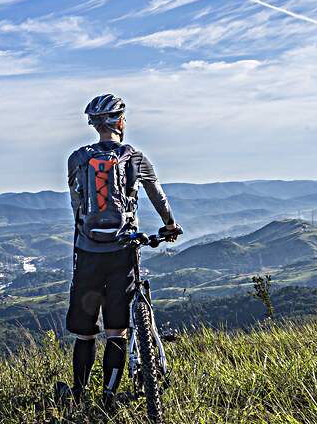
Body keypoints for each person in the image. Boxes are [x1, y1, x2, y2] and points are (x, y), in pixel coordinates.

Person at [60, 93, 182, 409]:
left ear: (94, 124)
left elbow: (76, 203)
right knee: (117, 329)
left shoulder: (77, 158)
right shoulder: (136, 158)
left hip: (87, 251)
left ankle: (76, 395)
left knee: (85, 333)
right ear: (120, 122)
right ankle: (109, 396)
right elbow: (158, 196)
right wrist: (169, 225)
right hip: (122, 250)